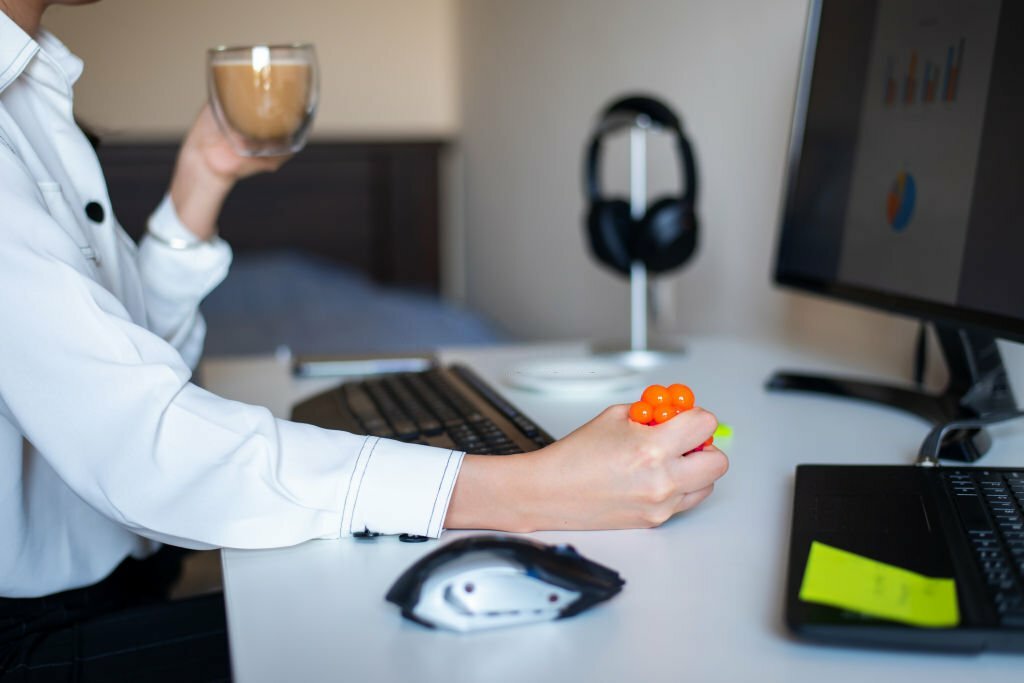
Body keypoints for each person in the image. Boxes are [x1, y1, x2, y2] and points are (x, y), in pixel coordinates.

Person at [0, 0, 729, 680]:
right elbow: (144, 443)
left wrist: (204, 175)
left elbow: (121, 360)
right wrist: (524, 487)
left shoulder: (30, 94)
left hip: (126, 577)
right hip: (34, 637)